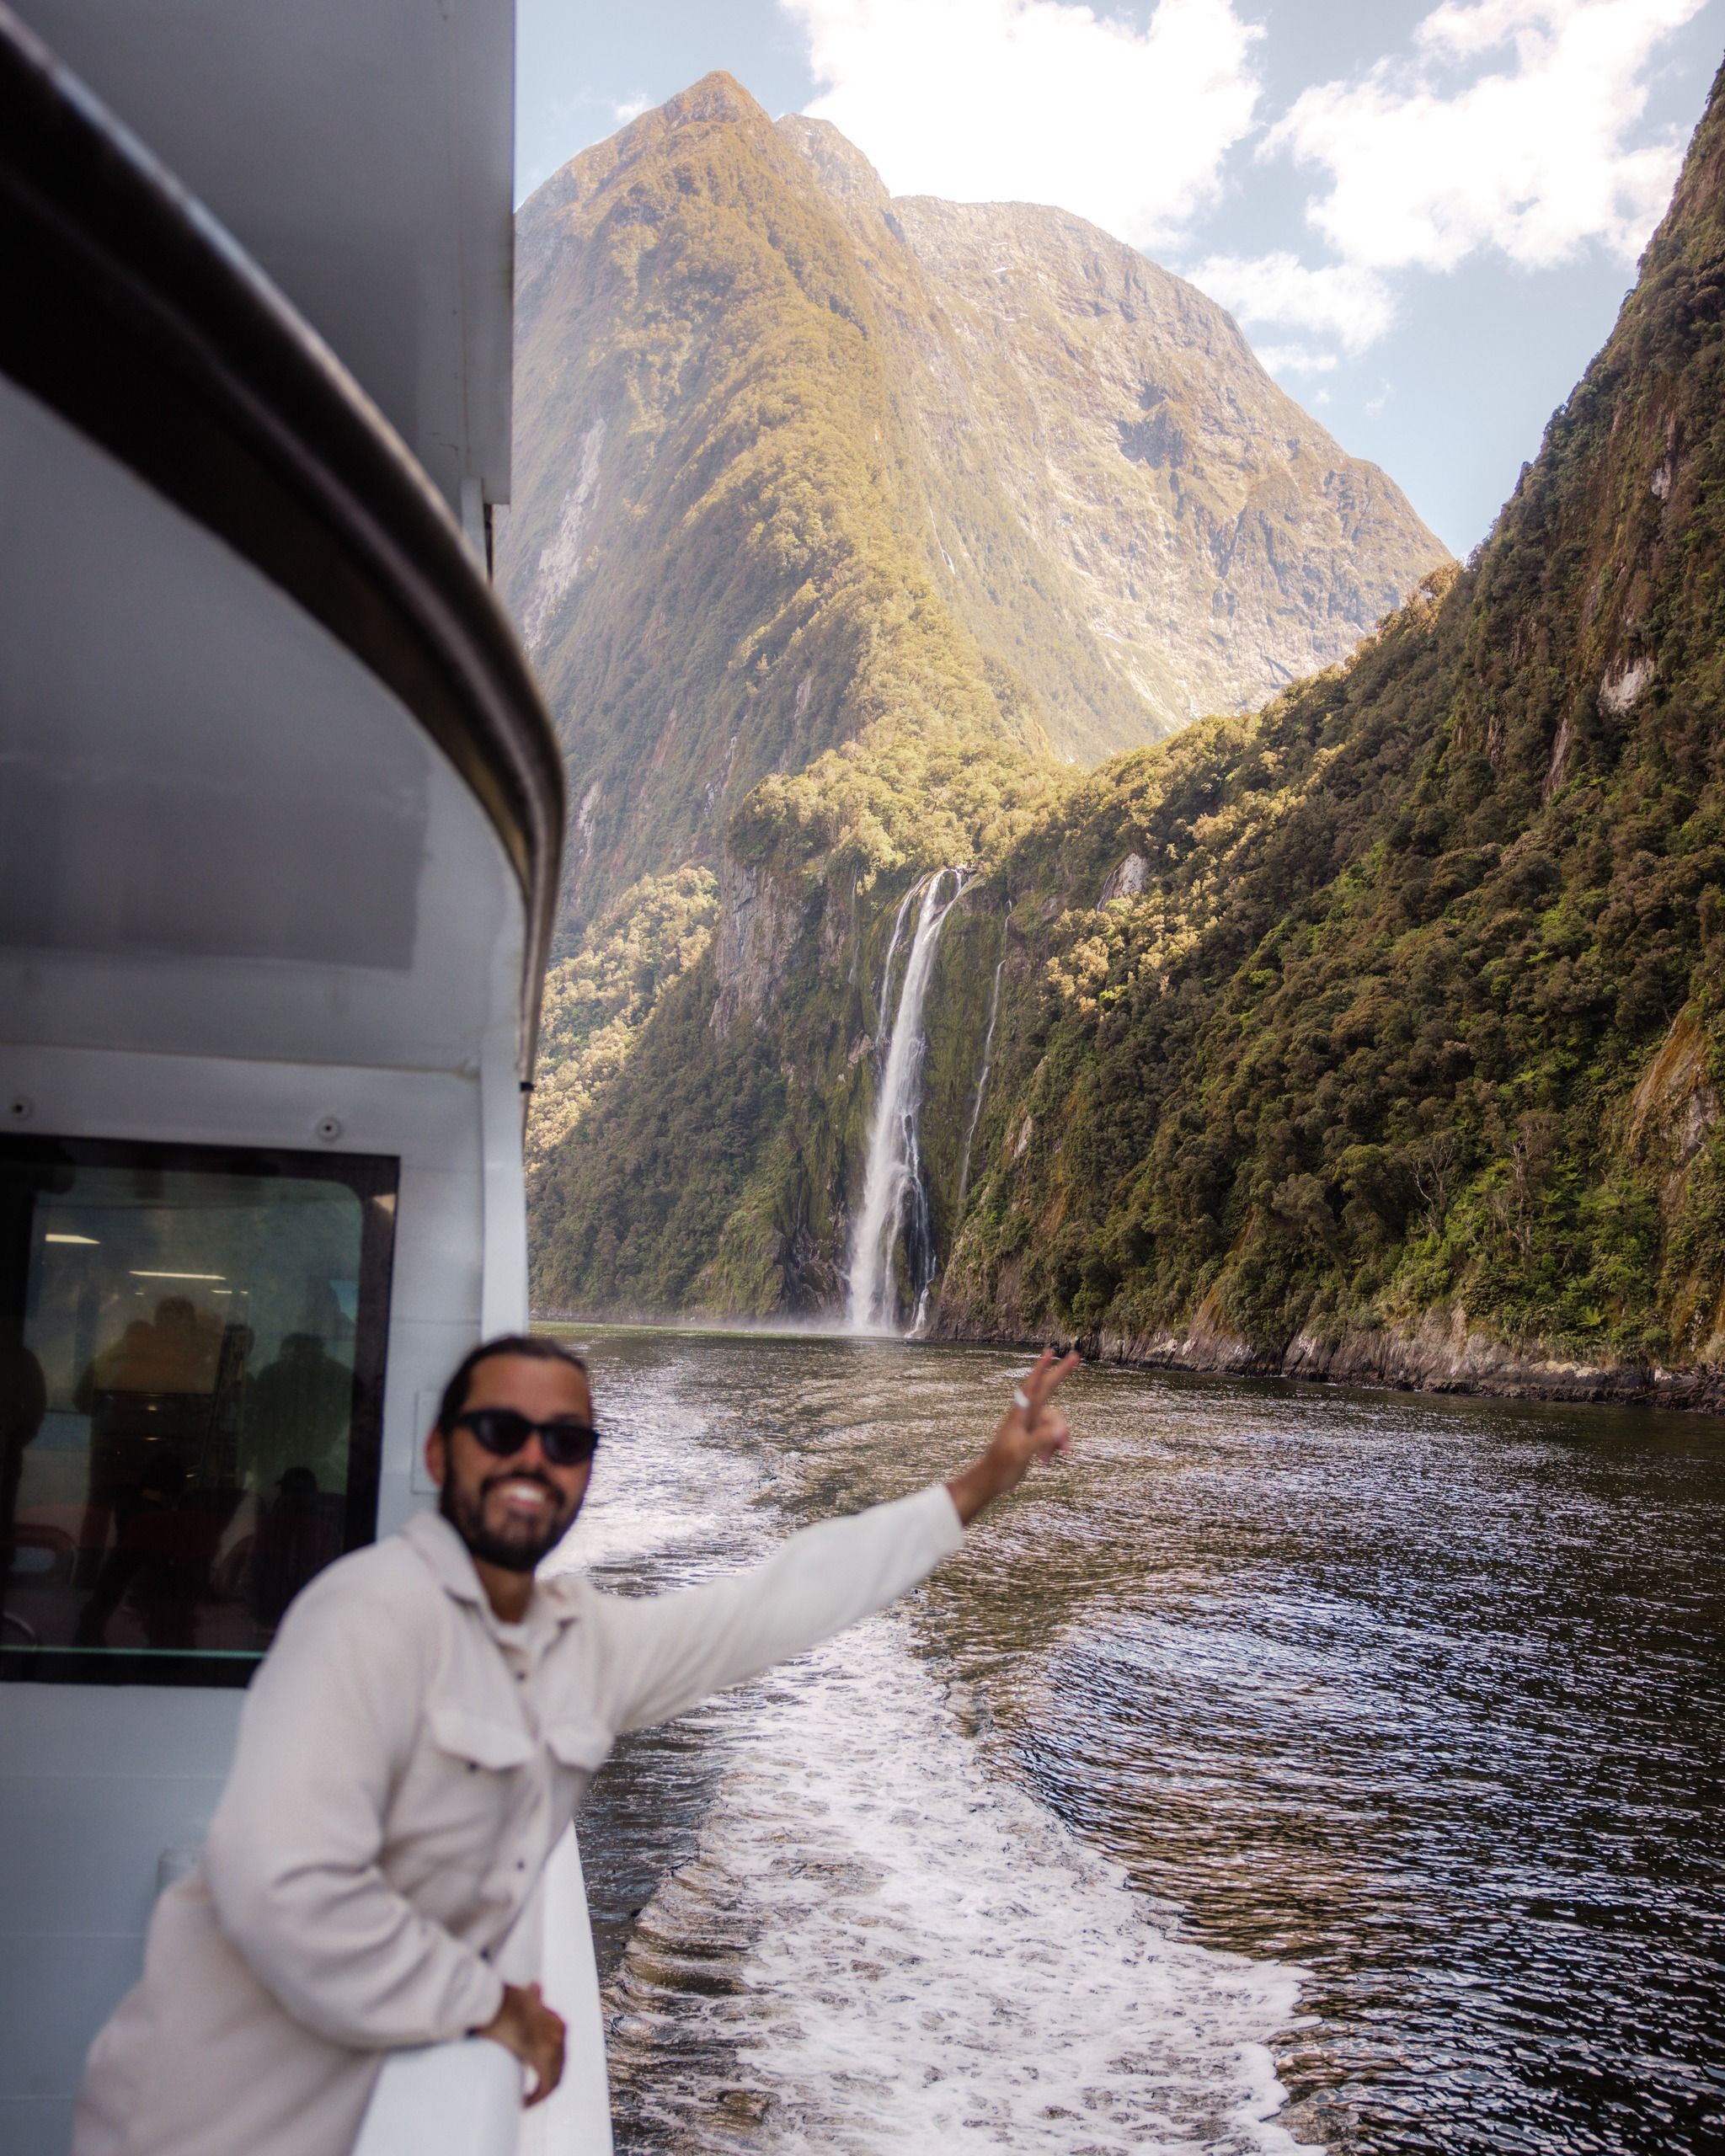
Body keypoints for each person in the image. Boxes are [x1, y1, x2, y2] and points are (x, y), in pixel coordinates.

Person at [71, 1332, 1079, 2156]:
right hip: (195, 2123)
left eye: (564, 1441)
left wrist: (986, 1476)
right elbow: (282, 1887)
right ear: (439, 1454)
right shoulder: (366, 1615)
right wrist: (491, 2003)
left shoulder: (579, 1644)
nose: (532, 1458)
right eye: (500, 1429)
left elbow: (777, 1601)